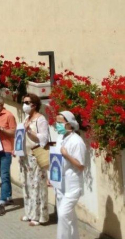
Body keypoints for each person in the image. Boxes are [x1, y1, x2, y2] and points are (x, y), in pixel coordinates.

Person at [55, 111, 87, 239]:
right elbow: (55, 159)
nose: (56, 125)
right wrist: (52, 176)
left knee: (63, 214)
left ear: (69, 124)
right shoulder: (60, 138)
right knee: (69, 217)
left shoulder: (77, 142)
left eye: (59, 122)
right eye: (56, 122)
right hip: (60, 182)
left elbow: (80, 166)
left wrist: (67, 155)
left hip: (72, 184)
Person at [20, 94, 50, 226]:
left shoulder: (40, 120)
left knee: (37, 185)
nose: (24, 104)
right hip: (25, 155)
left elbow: (44, 139)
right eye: (24, 102)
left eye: (27, 102)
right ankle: (29, 212)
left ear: (34, 104)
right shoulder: (27, 118)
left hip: (36, 155)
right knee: (26, 184)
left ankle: (38, 216)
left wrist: (30, 132)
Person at [0, 94, 17, 216]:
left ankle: (2, 200)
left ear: (1, 104)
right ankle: (9, 196)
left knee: (5, 174)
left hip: (6, 149)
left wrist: (0, 128)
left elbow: (13, 132)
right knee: (2, 174)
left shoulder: (9, 115)